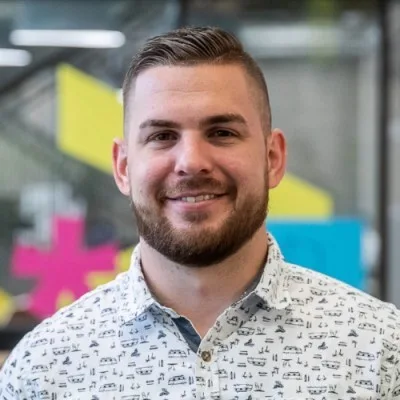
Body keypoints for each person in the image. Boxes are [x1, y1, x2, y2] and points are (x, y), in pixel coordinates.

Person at [1, 26, 400, 400]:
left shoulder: (379, 351)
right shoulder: (44, 371)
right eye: (162, 136)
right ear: (123, 167)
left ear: (273, 158)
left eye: (222, 133)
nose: (191, 162)